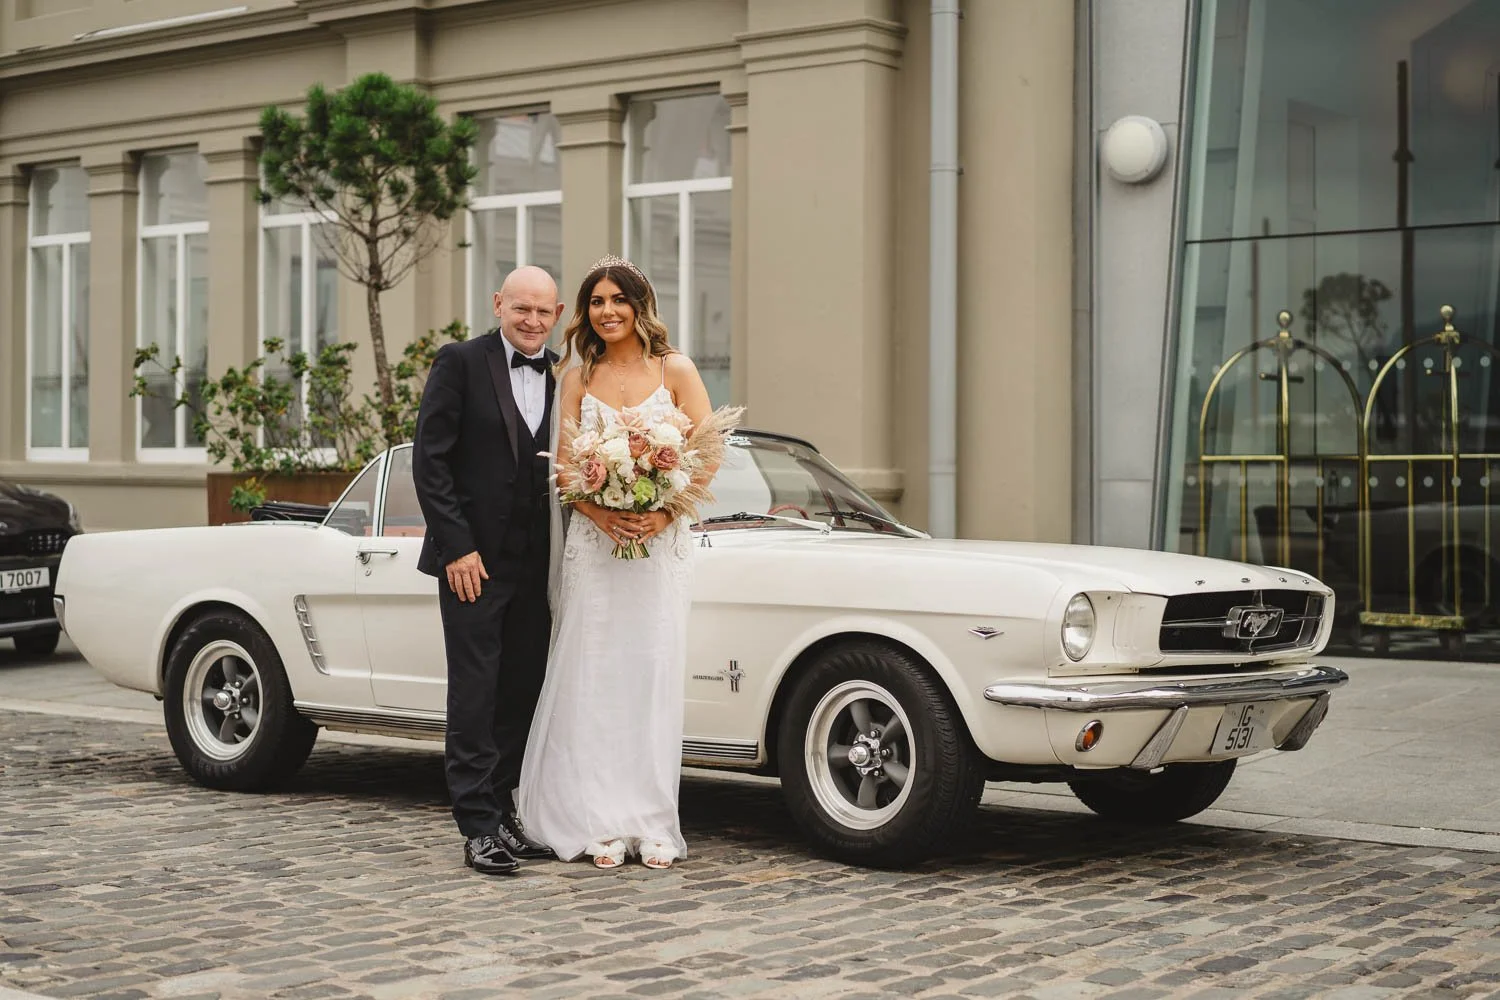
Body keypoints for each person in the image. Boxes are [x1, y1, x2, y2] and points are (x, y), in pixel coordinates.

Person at [516, 255, 718, 870]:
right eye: (596, 302)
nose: (607, 312)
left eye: (617, 300)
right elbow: (563, 470)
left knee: (650, 676)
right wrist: (602, 514)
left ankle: (650, 820)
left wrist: (663, 513)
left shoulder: (675, 368)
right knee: (594, 677)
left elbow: (708, 451)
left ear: (639, 305)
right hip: (595, 550)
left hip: (660, 551)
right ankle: (595, 818)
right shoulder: (575, 377)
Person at [411, 265, 566, 876]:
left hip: (538, 565)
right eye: (521, 308)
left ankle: (503, 814)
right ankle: (476, 827)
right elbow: (432, 463)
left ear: (556, 317)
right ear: (499, 304)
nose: (531, 321)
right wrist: (458, 549)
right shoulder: (459, 362)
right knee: (475, 693)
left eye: (543, 312)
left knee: (520, 690)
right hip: (473, 564)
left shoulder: (561, 377)